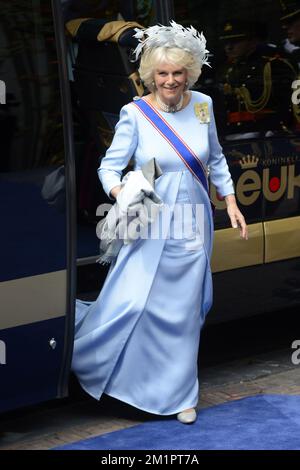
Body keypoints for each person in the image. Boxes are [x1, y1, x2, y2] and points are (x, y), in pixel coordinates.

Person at [71, 21, 248, 425]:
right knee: (135, 303)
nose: (170, 81)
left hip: (194, 221)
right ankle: (110, 373)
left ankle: (180, 395)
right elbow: (109, 168)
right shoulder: (134, 113)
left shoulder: (202, 105)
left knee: (184, 313)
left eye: (178, 73)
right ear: (151, 75)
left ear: (189, 73)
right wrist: (122, 194)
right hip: (151, 219)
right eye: (163, 74)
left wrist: (232, 201)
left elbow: (216, 159)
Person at [218, 19, 296, 140]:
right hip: (232, 135)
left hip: (263, 134)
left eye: (236, 41)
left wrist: (273, 130)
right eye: (226, 42)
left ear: (253, 42)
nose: (229, 47)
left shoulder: (272, 66)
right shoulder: (228, 71)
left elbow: (287, 104)